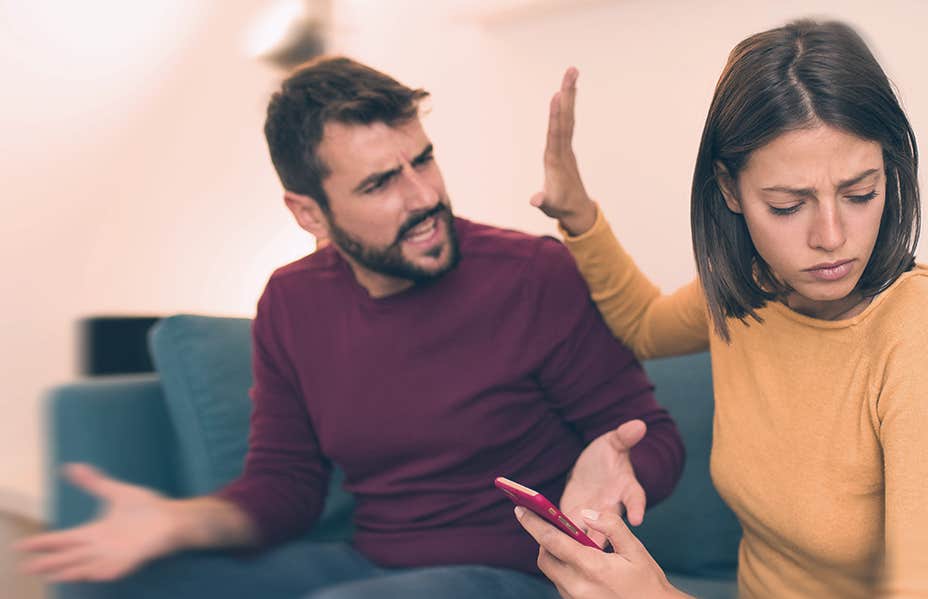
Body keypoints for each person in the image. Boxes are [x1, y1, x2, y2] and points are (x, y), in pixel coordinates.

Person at [17, 57, 685, 599]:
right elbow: (284, 488)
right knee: (124, 586)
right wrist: (177, 521)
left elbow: (652, 436)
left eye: (423, 160)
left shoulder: (530, 273)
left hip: (520, 573)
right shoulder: (290, 301)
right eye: (380, 184)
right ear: (308, 213)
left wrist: (614, 470)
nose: (423, 197)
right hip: (371, 563)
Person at [516, 19, 928, 599]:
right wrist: (578, 214)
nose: (832, 236)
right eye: (789, 206)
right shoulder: (755, 291)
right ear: (730, 191)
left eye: (860, 193)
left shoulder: (923, 327)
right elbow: (644, 326)